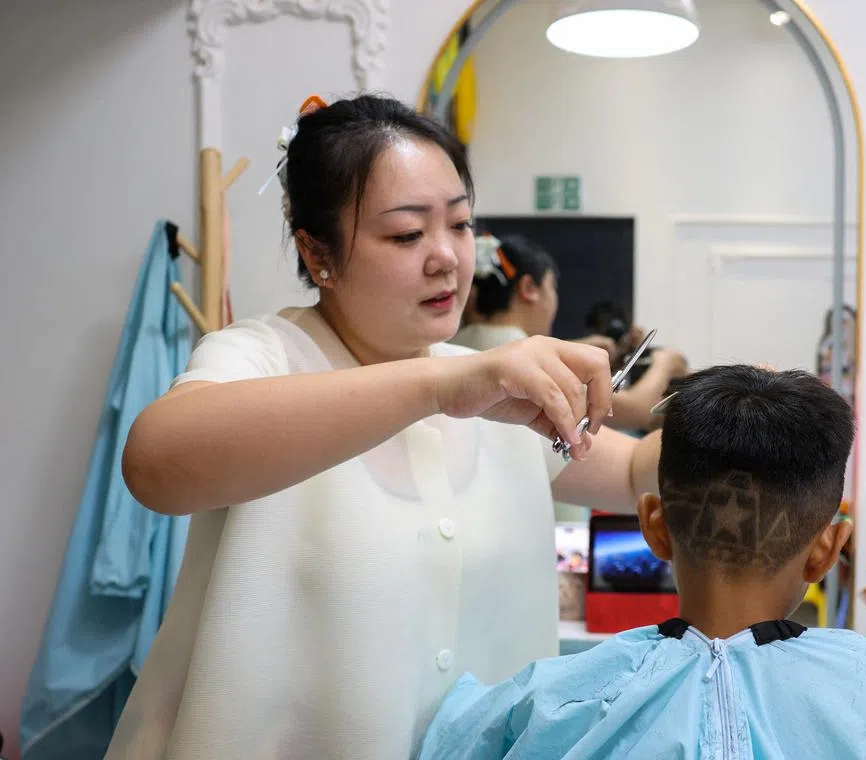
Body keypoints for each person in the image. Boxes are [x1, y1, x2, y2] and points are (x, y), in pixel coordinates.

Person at [104, 94, 664, 760]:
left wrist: (746, 415)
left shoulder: (489, 382)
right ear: (318, 253)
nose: (447, 257)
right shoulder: (262, 356)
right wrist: (443, 386)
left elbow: (635, 472)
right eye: (406, 235)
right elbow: (155, 464)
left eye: (460, 225)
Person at [417, 365, 866, 760]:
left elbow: (453, 740)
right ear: (829, 549)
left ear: (653, 526)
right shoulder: (855, 676)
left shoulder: (553, 698)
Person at [451, 233, 688, 432]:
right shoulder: (524, 360)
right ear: (529, 288)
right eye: (552, 287)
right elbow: (636, 411)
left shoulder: (457, 343)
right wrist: (665, 362)